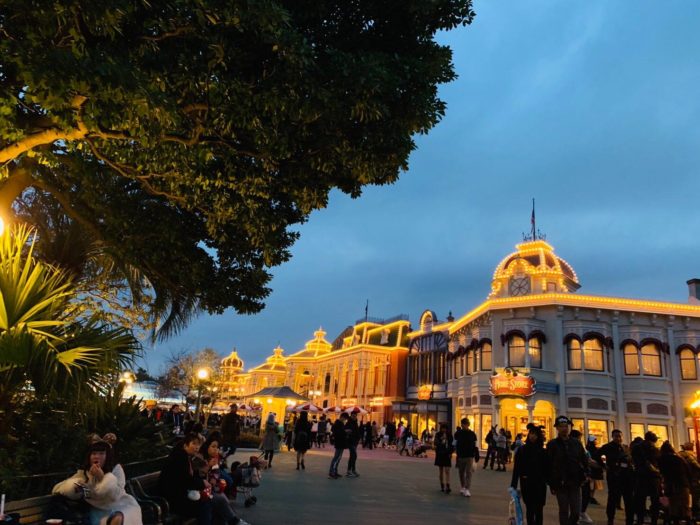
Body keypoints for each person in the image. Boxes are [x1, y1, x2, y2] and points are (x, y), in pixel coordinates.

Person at [53, 439, 142, 525]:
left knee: (119, 517)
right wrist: (76, 487)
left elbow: (115, 496)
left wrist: (102, 478)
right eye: (94, 453)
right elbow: (59, 488)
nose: (96, 456)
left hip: (121, 504)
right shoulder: (84, 473)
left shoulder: (116, 469)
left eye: (101, 453)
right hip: (98, 509)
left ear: (108, 456)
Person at [193, 436, 250, 525]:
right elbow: (199, 476)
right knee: (220, 499)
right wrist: (208, 466)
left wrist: (214, 478)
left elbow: (215, 473)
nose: (216, 449)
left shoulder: (213, 458)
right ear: (207, 446)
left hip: (208, 489)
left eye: (217, 447)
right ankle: (234, 521)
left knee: (222, 497)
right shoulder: (199, 458)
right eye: (213, 446)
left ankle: (233, 520)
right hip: (199, 491)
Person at [158, 433, 212, 525]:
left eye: (198, 444)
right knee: (205, 506)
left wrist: (201, 478)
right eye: (193, 444)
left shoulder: (185, 456)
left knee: (210, 502)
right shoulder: (179, 458)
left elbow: (189, 478)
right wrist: (202, 483)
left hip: (179, 496)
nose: (197, 447)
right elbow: (186, 481)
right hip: (172, 500)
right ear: (185, 445)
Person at [546, 415, 588, 525]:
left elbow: (583, 459)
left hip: (575, 481)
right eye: (561, 426)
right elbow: (548, 464)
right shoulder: (552, 444)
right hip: (560, 483)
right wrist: (551, 483)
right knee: (564, 510)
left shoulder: (576, 443)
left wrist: (586, 473)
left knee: (576, 512)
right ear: (557, 428)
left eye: (566, 426)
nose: (564, 428)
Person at [511, 426, 548, 525]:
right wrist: (513, 484)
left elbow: (547, 469)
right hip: (527, 483)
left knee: (539, 509)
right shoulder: (522, 450)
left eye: (535, 434)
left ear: (538, 436)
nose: (533, 436)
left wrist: (550, 482)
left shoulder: (543, 452)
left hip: (540, 484)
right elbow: (517, 468)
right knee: (530, 508)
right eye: (531, 433)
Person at [598, 429, 634, 525]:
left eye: (620, 436)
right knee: (613, 498)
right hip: (614, 476)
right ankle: (610, 519)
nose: (618, 438)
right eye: (616, 436)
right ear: (612, 437)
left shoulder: (625, 447)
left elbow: (630, 459)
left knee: (628, 499)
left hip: (626, 476)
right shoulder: (607, 447)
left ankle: (629, 520)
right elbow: (598, 455)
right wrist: (604, 465)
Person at [658, 441, 692, 524]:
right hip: (682, 483)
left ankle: (674, 520)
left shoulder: (661, 459)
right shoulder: (679, 458)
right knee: (685, 504)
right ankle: (687, 520)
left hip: (670, 484)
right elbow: (688, 470)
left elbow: (661, 472)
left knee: (673, 504)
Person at [632, 431, 661, 525]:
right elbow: (659, 462)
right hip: (653, 477)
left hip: (640, 476)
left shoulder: (636, 448)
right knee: (655, 500)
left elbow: (634, 460)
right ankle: (654, 521)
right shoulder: (655, 450)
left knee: (640, 500)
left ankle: (640, 520)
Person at [570, 429, 593, 524]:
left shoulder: (582, 447)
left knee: (586, 495)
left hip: (584, 474)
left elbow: (587, 459)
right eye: (579, 438)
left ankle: (581, 512)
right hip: (577, 475)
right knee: (578, 496)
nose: (580, 440)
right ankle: (578, 514)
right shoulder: (573, 448)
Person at [454, 418, 479, 497]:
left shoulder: (472, 434)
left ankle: (467, 488)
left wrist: (476, 454)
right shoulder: (458, 433)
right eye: (462, 424)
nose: (463, 425)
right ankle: (463, 486)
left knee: (469, 472)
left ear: (468, 424)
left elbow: (475, 445)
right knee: (461, 472)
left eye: (464, 424)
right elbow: (455, 443)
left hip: (469, 455)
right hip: (461, 455)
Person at [678, 442, 700, 521]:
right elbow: (697, 467)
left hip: (682, 481)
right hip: (693, 480)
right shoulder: (690, 456)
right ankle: (695, 515)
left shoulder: (678, 455)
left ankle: (684, 515)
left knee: (684, 499)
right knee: (695, 498)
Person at [434, 422, 454, 494]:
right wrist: (441, 439)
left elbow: (452, 445)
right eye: (443, 428)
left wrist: (451, 452)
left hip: (447, 454)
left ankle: (448, 484)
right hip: (440, 454)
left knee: (447, 470)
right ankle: (442, 484)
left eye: (445, 429)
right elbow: (435, 443)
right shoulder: (438, 434)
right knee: (441, 470)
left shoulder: (449, 435)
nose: (444, 430)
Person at [328, 413, 349, 479]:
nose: (345, 420)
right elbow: (337, 433)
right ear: (342, 417)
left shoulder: (339, 423)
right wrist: (345, 431)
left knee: (338, 458)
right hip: (339, 442)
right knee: (336, 457)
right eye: (345, 419)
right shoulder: (338, 424)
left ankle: (335, 471)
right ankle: (332, 472)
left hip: (340, 442)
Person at [585, 435, 602, 505]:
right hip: (593, 468)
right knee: (592, 483)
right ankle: (590, 497)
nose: (596, 441)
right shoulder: (592, 449)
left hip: (594, 468)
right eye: (594, 440)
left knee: (593, 484)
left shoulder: (589, 448)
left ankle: (590, 497)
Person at [345, 412, 361, 477]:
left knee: (353, 456)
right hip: (350, 442)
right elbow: (345, 430)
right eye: (353, 416)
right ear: (351, 416)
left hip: (355, 442)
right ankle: (349, 471)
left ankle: (352, 470)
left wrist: (358, 438)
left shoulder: (355, 422)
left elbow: (357, 431)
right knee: (354, 455)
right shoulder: (348, 423)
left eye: (355, 416)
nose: (354, 417)